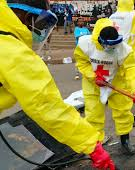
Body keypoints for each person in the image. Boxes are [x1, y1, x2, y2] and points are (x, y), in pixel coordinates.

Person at [0, 1, 114, 169]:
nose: (41, 31)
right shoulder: (13, 51)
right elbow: (47, 106)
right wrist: (90, 144)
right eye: (42, 23)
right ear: (27, 17)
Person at [74, 18, 135, 155]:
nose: (111, 49)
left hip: (116, 82)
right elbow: (82, 62)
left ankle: (125, 141)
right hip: (93, 85)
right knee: (93, 115)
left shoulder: (124, 49)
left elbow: (131, 70)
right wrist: (93, 76)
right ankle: (95, 147)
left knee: (123, 112)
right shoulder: (85, 44)